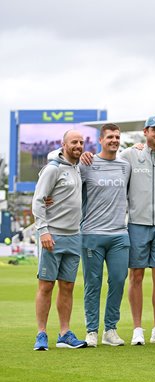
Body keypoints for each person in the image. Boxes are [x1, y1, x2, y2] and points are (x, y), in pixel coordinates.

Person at [120, 116, 155, 345]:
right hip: (137, 223)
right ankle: (137, 329)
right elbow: (110, 169)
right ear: (145, 131)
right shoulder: (130, 154)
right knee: (136, 275)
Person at [32, 130, 87, 350]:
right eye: (74, 142)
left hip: (74, 236)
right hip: (52, 235)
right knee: (46, 286)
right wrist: (43, 230)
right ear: (63, 144)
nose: (79, 145)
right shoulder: (53, 168)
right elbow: (38, 200)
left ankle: (64, 333)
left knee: (67, 286)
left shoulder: (78, 168)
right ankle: (41, 334)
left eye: (81, 142)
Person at [80, 123, 131, 347]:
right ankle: (91, 330)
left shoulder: (125, 166)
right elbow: (59, 165)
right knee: (93, 284)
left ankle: (110, 330)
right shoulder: (86, 164)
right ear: (100, 140)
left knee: (119, 281)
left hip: (119, 234)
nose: (114, 140)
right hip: (91, 233)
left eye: (117, 137)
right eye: (110, 137)